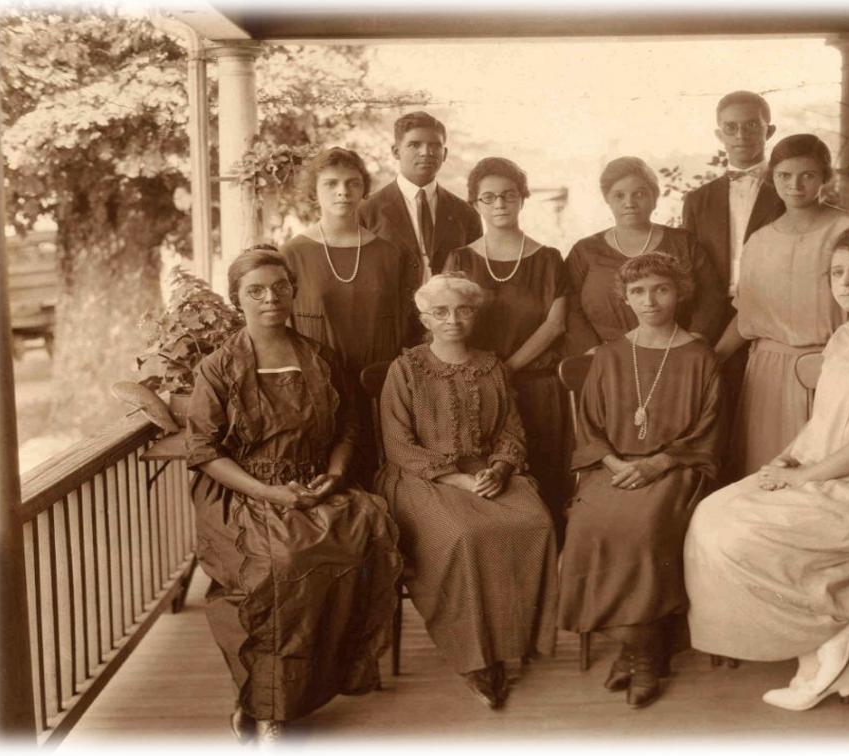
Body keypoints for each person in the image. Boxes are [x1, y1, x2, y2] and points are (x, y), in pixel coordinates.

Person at [684, 226, 849, 739]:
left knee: (748, 533)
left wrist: (806, 476)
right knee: (713, 516)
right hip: (831, 465)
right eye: (837, 272)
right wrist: (786, 462)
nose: (845, 282)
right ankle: (834, 641)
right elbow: (825, 419)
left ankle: (835, 630)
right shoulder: (848, 333)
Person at [186, 248, 401, 745]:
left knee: (362, 531)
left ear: (293, 292)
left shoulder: (320, 357)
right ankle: (265, 709)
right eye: (256, 290)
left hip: (315, 484)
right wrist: (268, 492)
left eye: (280, 287)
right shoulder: (218, 369)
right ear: (237, 299)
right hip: (243, 494)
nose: (270, 299)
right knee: (281, 564)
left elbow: (349, 427)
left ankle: (315, 684)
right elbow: (204, 451)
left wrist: (334, 473)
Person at [374, 272, 558, 710]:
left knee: (537, 522)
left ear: (475, 315)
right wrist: (455, 478)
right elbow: (399, 446)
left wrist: (499, 468)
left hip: (484, 472)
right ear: (425, 318)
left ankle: (511, 641)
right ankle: (474, 659)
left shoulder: (491, 366)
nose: (452, 319)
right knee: (464, 536)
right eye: (441, 312)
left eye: (462, 310)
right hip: (422, 477)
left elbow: (512, 430)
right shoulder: (406, 369)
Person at [559, 253, 722, 709]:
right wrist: (614, 465)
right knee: (587, 525)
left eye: (660, 289)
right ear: (625, 298)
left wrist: (657, 464)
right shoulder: (610, 354)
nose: (650, 300)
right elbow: (589, 429)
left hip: (675, 467)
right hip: (612, 467)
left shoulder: (699, 355)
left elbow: (707, 432)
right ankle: (643, 652)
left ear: (679, 293)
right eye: (638, 291)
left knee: (645, 528)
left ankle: (640, 658)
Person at [713, 133, 849, 479]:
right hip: (768, 376)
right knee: (766, 475)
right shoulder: (760, 241)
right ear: (772, 179)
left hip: (833, 369)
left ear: (825, 177)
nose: (795, 185)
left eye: (807, 175)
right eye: (784, 176)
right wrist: (712, 359)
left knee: (825, 474)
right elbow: (746, 315)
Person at [442, 157, 571, 542]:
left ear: (522, 199)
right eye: (489, 197)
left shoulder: (549, 258)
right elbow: (449, 322)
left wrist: (508, 368)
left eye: (508, 195)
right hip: (476, 392)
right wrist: (488, 377)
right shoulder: (460, 259)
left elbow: (555, 323)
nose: (499, 204)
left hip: (538, 389)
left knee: (546, 488)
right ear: (475, 203)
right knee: (487, 490)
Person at [279, 147, 409, 489]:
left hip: (377, 389)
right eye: (331, 183)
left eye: (353, 183)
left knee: (379, 482)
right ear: (314, 191)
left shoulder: (388, 253)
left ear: (364, 190)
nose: (343, 191)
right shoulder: (293, 253)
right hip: (318, 390)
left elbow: (401, 324)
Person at [681, 90, 785, 484]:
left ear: (768, 130)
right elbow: (688, 272)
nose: (742, 135)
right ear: (719, 134)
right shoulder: (698, 199)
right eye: (731, 127)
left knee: (762, 417)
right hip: (714, 317)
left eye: (752, 125)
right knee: (714, 413)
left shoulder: (786, 189)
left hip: (772, 315)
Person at [564, 156, 725, 356]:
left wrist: (695, 340)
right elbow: (569, 305)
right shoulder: (585, 251)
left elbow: (711, 296)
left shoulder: (684, 243)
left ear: (654, 198)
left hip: (675, 354)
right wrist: (590, 349)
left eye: (639, 194)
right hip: (604, 357)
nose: (629, 203)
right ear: (608, 200)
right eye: (619, 196)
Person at [358, 111, 484, 346]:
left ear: (445, 153)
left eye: (435, 145)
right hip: (389, 333)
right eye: (414, 144)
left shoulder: (465, 213)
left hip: (450, 333)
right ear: (395, 151)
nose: (426, 152)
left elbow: (474, 277)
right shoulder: (368, 212)